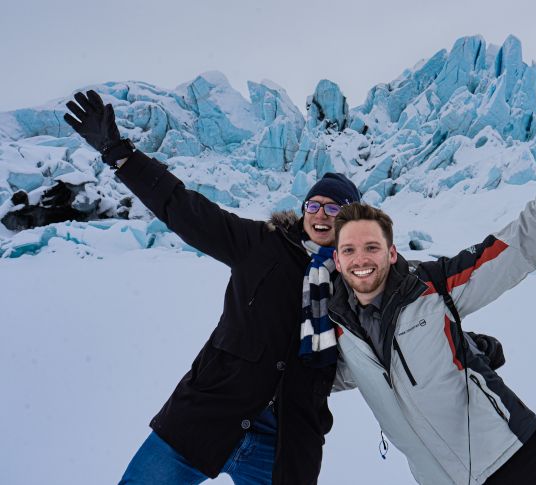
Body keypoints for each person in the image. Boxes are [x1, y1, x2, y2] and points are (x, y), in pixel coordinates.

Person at [63, 90, 360, 484]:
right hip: (205, 413)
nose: (321, 214)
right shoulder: (260, 243)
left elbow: (406, 318)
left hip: (285, 440)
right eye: (314, 205)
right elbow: (184, 209)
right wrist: (121, 155)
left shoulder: (359, 281)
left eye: (334, 208)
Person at [329, 143, 536, 484]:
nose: (361, 260)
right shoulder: (341, 332)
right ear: (337, 260)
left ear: (391, 253)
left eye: (372, 247)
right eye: (349, 250)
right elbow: (313, 377)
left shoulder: (431, 287)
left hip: (514, 454)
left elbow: (510, 251)